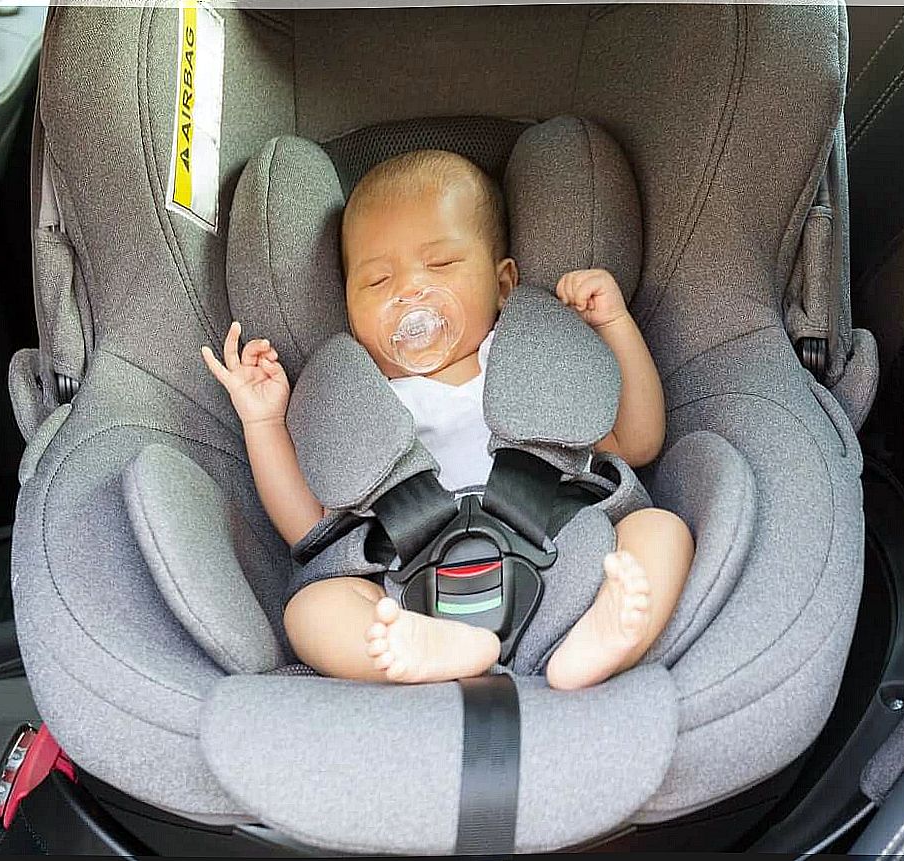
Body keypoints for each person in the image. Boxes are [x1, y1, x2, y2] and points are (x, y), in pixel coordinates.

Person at [202, 149, 694, 691]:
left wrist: (615, 324)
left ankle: (604, 636)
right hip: (409, 591)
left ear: (502, 283)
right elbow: (307, 526)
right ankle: (428, 653)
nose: (409, 290)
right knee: (310, 610)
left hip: (567, 558)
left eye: (440, 265)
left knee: (659, 529)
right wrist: (264, 421)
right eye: (377, 281)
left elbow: (640, 441)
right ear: (348, 307)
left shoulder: (535, 359)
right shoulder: (359, 399)